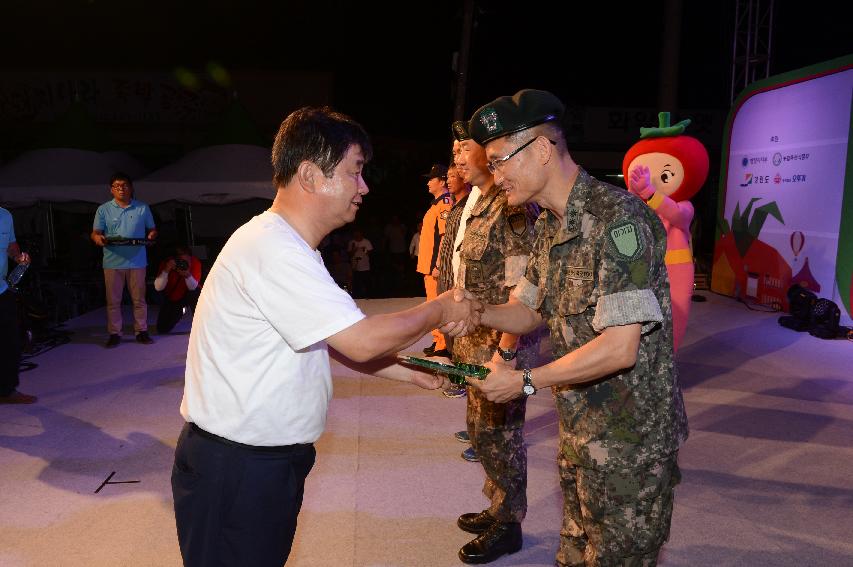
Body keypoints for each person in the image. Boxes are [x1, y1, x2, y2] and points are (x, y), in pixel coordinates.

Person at [171, 106, 482, 567]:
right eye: (355, 172)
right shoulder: (274, 250)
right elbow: (360, 339)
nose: (364, 187)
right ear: (312, 175)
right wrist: (440, 306)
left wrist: (413, 371)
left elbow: (326, 340)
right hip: (238, 469)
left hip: (258, 464)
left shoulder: (288, 247)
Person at [465, 89, 689, 566]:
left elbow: (619, 348)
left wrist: (525, 382)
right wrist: (472, 310)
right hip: (581, 431)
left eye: (500, 160)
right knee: (574, 555)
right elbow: (528, 311)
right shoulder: (550, 224)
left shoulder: (619, 220)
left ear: (542, 149)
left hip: (629, 442)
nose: (494, 175)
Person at [442, 119, 540, 564]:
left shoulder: (512, 207)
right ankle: (498, 505)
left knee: (501, 434)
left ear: (491, 152)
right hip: (471, 339)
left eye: (466, 148)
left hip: (499, 342)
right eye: (456, 149)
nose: (458, 157)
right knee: (481, 432)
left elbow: (524, 289)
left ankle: (509, 524)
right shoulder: (468, 203)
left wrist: (506, 349)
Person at [91, 172, 158, 347]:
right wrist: (98, 239)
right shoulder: (103, 209)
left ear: (131, 188)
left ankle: (141, 331)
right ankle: (115, 333)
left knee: (139, 299)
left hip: (137, 261)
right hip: (113, 262)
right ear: (111, 189)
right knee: (113, 301)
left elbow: (152, 229)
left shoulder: (142, 208)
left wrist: (150, 237)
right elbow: (96, 232)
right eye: (117, 186)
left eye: (124, 185)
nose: (121, 188)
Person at [435, 158, 474, 400]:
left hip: (456, 279)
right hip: (446, 275)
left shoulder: (469, 205)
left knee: (459, 334)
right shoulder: (454, 206)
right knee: (449, 331)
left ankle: (461, 381)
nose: (449, 179)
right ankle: (456, 375)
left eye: (454, 174)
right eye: (448, 175)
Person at [416, 163, 453, 357]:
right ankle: (438, 341)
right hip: (428, 267)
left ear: (442, 181)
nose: (428, 183)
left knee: (437, 306)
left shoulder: (445, 204)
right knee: (432, 305)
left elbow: (446, 236)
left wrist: (439, 264)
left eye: (431, 179)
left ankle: (442, 346)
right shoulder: (437, 204)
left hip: (435, 268)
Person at [0, 207, 36, 404]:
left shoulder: (5, 216)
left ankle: (6, 390)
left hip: (1, 289)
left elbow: (11, 245)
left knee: (10, 342)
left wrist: (18, 257)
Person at [153, 245, 202, 334]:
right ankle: (182, 311)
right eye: (180, 260)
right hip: (174, 298)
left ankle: (200, 325)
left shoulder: (195, 262)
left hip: (189, 295)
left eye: (186, 260)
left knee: (196, 292)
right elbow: (158, 287)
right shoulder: (167, 263)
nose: (183, 263)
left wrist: (187, 275)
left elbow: (193, 288)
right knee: (162, 328)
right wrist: (166, 270)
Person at [347, 227, 373, 298]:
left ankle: (368, 297)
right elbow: (349, 255)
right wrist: (354, 250)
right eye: (355, 234)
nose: (357, 235)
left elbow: (370, 253)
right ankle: (358, 298)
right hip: (355, 267)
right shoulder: (351, 242)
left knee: (367, 283)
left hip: (365, 267)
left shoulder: (366, 242)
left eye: (358, 233)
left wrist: (364, 250)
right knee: (357, 284)